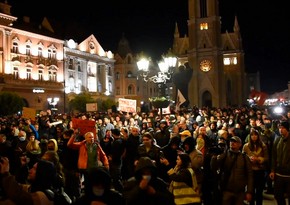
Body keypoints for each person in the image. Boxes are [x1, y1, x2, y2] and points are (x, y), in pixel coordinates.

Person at [211, 136, 253, 205]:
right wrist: (214, 157)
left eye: (235, 142)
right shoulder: (225, 155)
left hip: (240, 192)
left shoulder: (244, 157)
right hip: (227, 190)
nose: (232, 143)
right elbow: (213, 167)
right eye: (231, 141)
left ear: (240, 144)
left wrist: (249, 191)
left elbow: (250, 175)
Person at [242, 129, 268, 205]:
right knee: (251, 191)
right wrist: (249, 159)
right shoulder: (246, 146)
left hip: (260, 170)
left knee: (259, 192)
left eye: (255, 135)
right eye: (252, 135)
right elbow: (242, 157)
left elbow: (266, 158)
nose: (254, 137)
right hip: (250, 171)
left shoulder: (263, 146)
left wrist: (259, 159)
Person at [269, 121, 290, 205]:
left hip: (289, 174)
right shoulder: (278, 140)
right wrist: (272, 170)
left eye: (283, 128)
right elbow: (273, 156)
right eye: (280, 128)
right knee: (278, 195)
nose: (281, 130)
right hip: (279, 173)